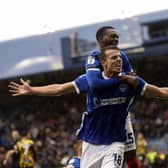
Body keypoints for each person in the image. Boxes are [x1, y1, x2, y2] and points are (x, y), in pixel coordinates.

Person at [8, 46, 168, 168]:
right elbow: (59, 89)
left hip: (115, 143)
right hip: (91, 144)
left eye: (119, 57)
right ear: (103, 63)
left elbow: (160, 92)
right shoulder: (89, 81)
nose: (119, 60)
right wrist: (32, 90)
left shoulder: (131, 82)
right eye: (113, 58)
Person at [85, 26, 139, 168]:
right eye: (112, 36)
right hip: (100, 115)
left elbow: (133, 80)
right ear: (101, 39)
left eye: (117, 37)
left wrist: (125, 80)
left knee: (131, 155)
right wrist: (121, 79)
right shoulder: (94, 56)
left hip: (120, 114)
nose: (115, 39)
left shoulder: (122, 55)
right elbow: (95, 84)